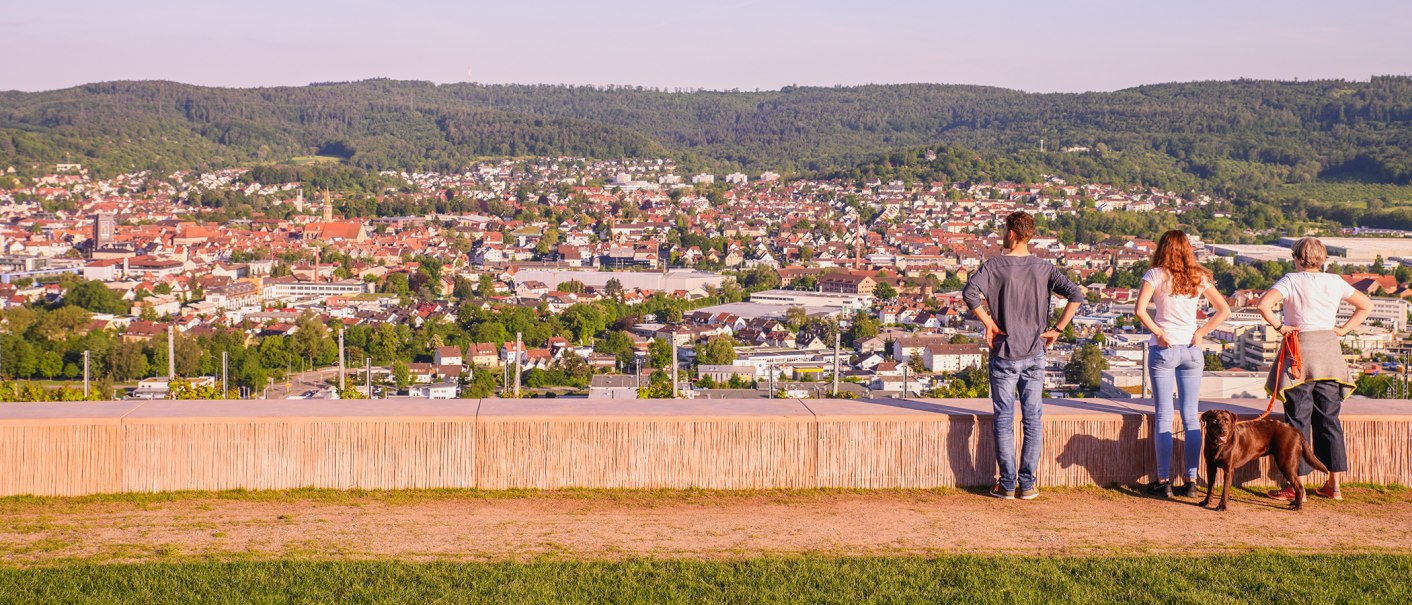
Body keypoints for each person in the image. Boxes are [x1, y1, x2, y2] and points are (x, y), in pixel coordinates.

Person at [963, 211, 1085, 500]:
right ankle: (1027, 484)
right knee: (1032, 419)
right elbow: (1076, 295)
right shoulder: (1044, 268)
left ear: (1013, 233)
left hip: (1004, 352)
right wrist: (1057, 329)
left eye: (1005, 231)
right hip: (1034, 351)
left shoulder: (994, 266)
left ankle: (1006, 484)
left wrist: (989, 323)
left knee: (1004, 419)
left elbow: (970, 293)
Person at [1255, 237, 1372, 501]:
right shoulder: (1334, 281)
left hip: (1301, 354)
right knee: (1329, 421)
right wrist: (1342, 330)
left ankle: (1296, 487)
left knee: (1298, 421)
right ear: (1322, 258)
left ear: (1297, 257)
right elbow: (1366, 305)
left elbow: (1263, 304)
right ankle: (1334, 485)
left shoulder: (1292, 280)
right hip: (1330, 354)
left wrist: (1280, 326)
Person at [1133, 230, 1231, 498]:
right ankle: (1190, 480)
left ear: (1162, 248)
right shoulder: (1198, 276)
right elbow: (1224, 309)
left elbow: (1140, 310)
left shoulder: (1155, 274)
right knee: (1190, 416)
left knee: (1164, 415)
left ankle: (1163, 480)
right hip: (1191, 348)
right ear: (1189, 249)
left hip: (1164, 349)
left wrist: (1159, 333)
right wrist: (1201, 332)